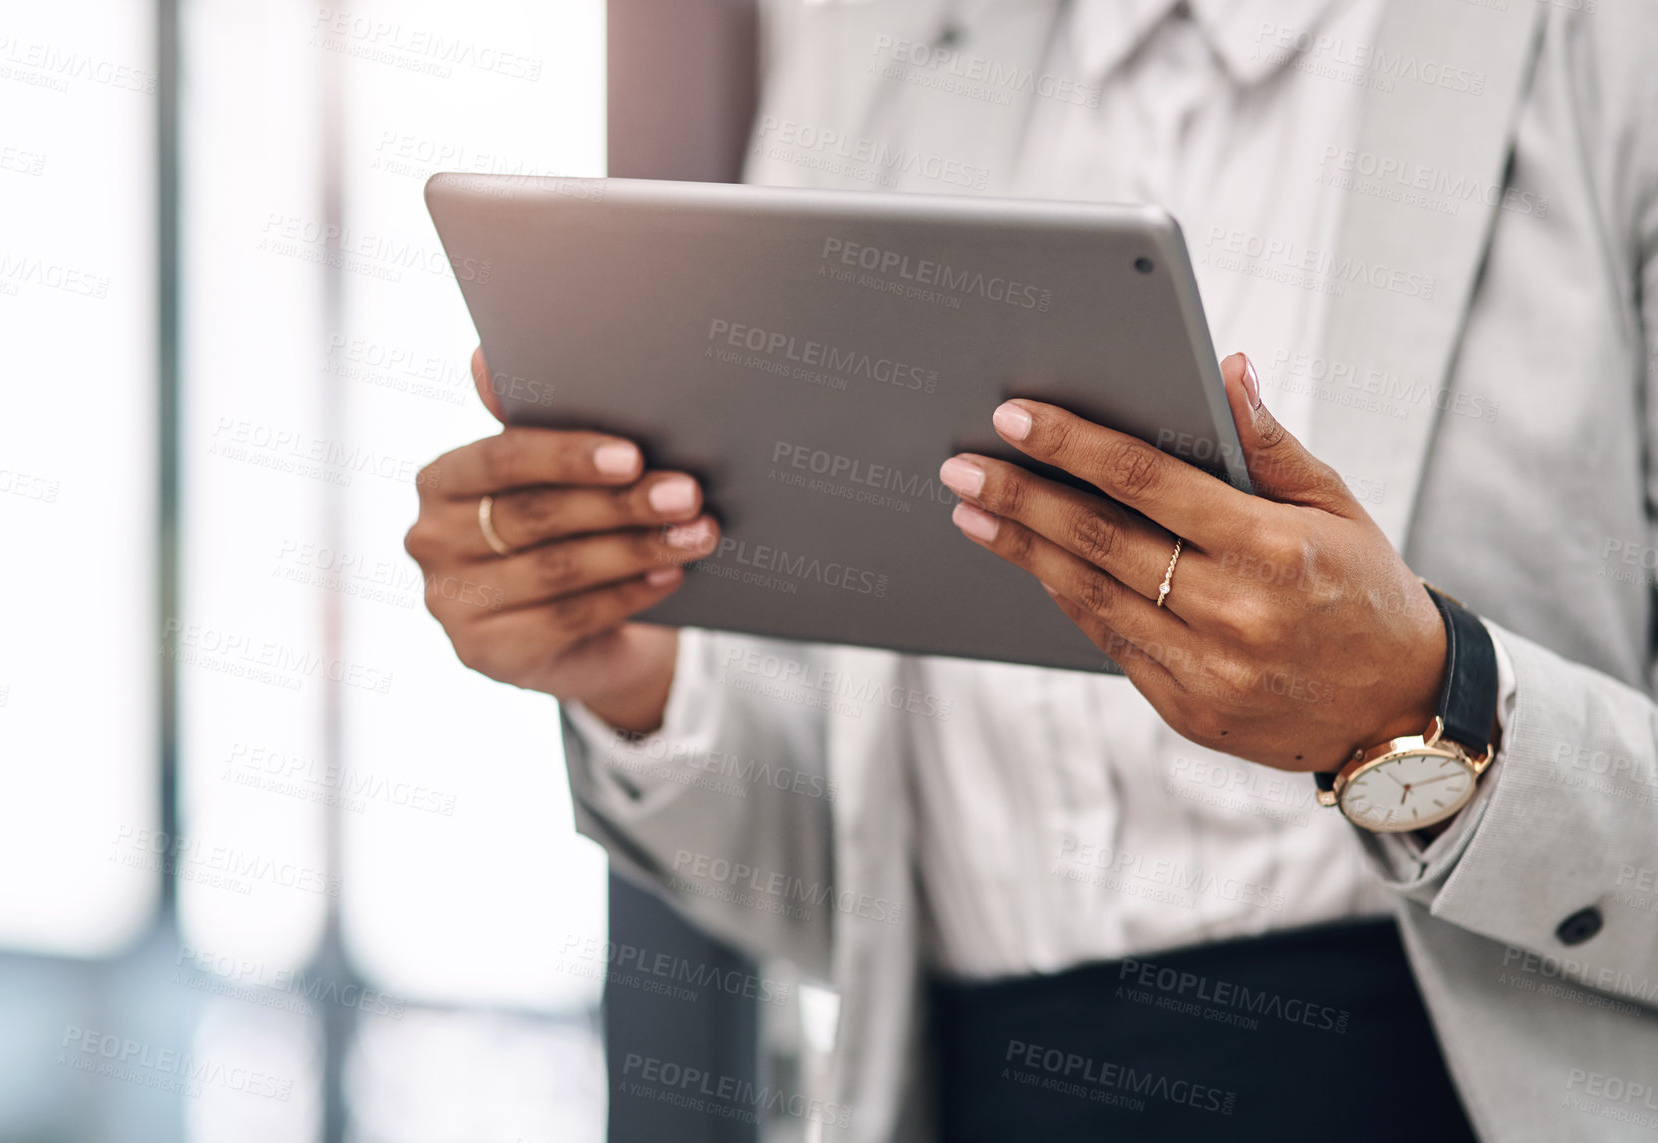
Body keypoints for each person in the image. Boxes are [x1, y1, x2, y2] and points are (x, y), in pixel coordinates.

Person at [404, 0, 1658, 1139]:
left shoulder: (1597, 50)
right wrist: (634, 676)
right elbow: (852, 896)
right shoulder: (879, 58)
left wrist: (1430, 713)